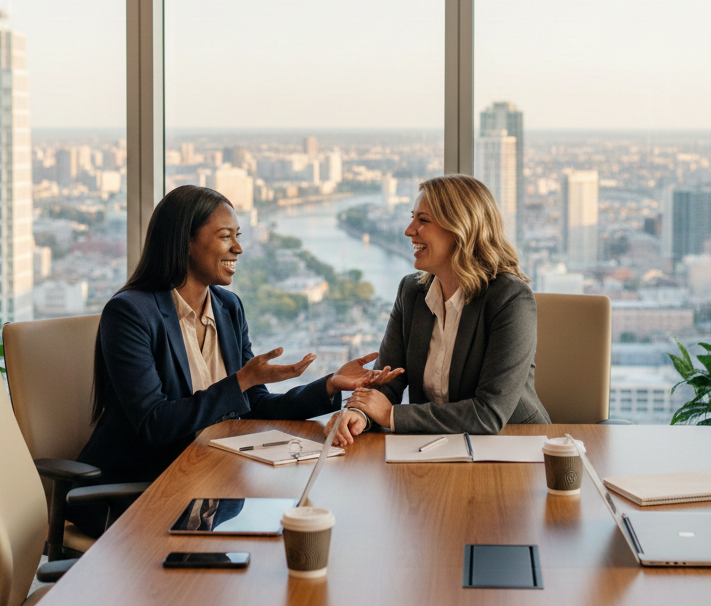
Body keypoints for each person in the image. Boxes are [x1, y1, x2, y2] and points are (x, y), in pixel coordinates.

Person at [76, 185, 391, 512]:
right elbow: (154, 423)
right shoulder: (130, 313)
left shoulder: (227, 307)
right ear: (186, 241)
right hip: (138, 491)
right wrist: (240, 380)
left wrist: (328, 384)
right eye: (226, 236)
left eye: (238, 235)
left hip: (209, 481)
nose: (238, 248)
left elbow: (254, 405)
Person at [325, 174, 550, 445]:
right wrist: (359, 413)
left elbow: (489, 413)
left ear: (461, 229)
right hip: (434, 447)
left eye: (423, 220)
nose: (409, 230)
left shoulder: (510, 298)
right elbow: (389, 379)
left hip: (512, 445)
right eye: (412, 218)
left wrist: (393, 416)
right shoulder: (411, 292)